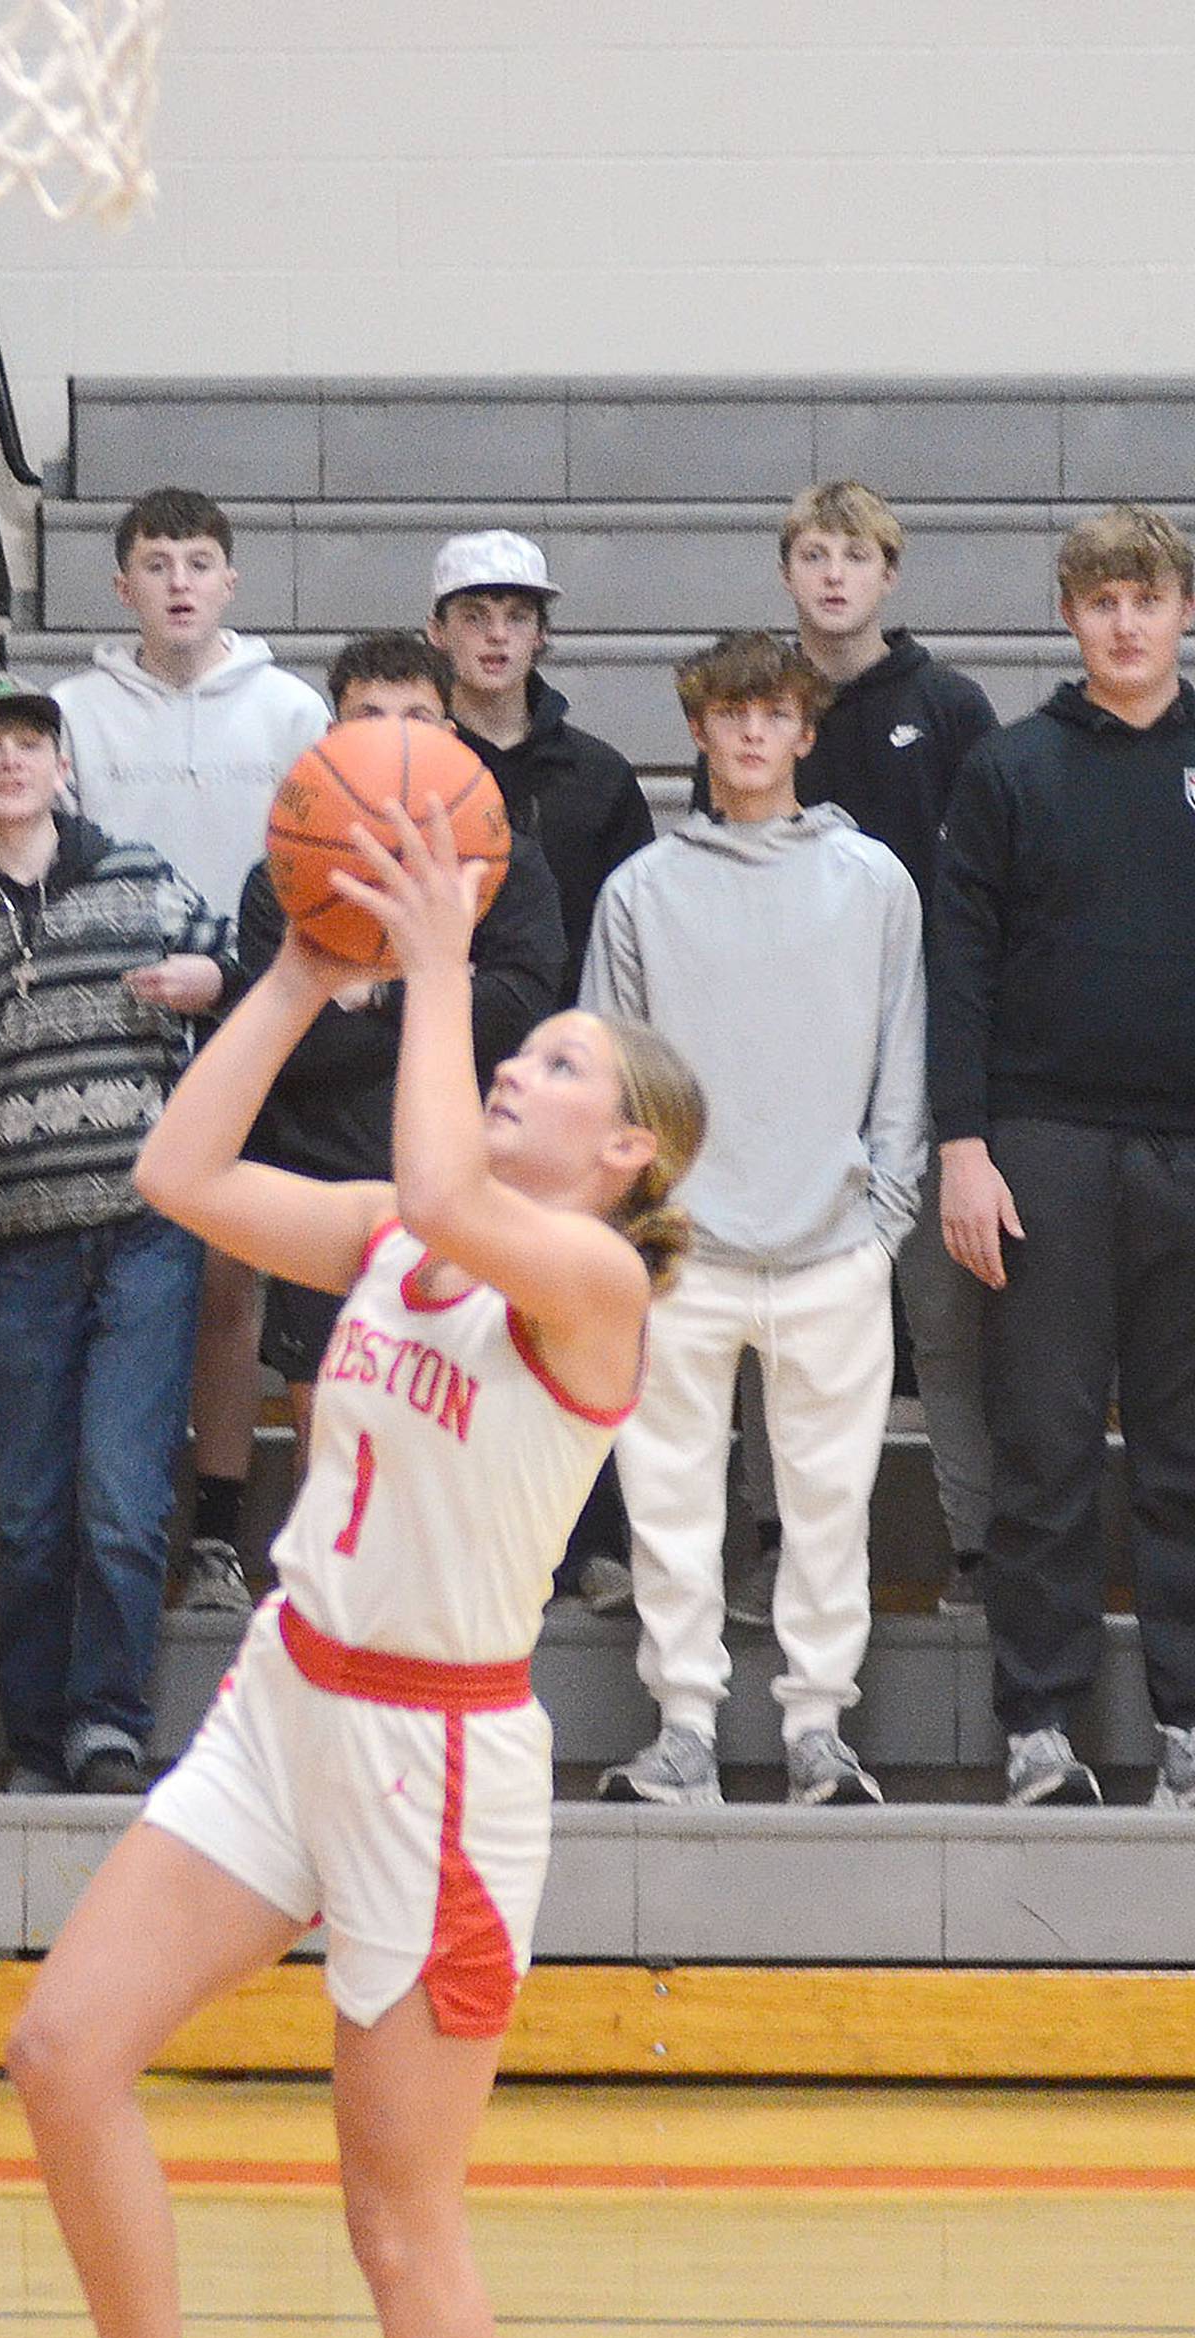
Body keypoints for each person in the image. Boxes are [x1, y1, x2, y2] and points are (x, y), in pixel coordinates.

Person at [0, 793, 703, 2338]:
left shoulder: (599, 1286)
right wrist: (306, 972)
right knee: (63, 2046)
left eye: (561, 1060)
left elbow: (463, 1190)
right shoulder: (403, 1228)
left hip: (438, 1775)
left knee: (397, 2219)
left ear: (627, 1150)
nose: (524, 1068)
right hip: (286, 1698)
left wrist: (452, 960)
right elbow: (181, 1169)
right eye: (518, 1046)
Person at [0, 669, 245, 1796]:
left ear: (61, 762)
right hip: (29, 1240)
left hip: (148, 1234)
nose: (11, 764)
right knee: (34, 1511)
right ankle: (36, 1733)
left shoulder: (136, 876)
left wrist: (214, 976)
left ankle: (108, 1723)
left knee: (124, 1501)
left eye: (30, 744)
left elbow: (249, 966)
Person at [585, 632, 926, 1808]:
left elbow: (904, 1062)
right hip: (681, 1255)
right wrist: (633, 1228)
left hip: (832, 1246)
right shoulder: (641, 889)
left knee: (830, 1506)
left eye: (772, 714)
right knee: (669, 1495)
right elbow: (608, 1073)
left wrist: (882, 1222)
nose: (748, 734)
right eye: (728, 714)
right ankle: (684, 1726)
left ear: (805, 731)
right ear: (697, 730)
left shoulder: (874, 879)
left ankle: (818, 1731)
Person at [692, 482, 999, 1631]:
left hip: (918, 1073)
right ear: (787, 573)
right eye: (813, 554)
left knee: (946, 1333)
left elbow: (979, 901)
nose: (833, 573)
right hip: (781, 1092)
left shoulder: (953, 709)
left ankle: (975, 1551)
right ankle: (777, 1550)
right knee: (775, 1341)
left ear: (888, 574)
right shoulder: (755, 706)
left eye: (855, 554)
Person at [930, 503, 1195, 1811]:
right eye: (1101, 601)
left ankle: (1190, 1731)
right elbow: (960, 969)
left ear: (1184, 611)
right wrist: (964, 1146)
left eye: (1147, 598)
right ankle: (1040, 1724)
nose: (1126, 622)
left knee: (1185, 1447)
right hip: (1039, 1145)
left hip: (1189, 1147)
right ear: (1069, 616)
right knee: (1042, 1443)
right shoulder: (1012, 767)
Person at [56, 487, 331, 1622]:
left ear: (231, 582)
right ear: (121, 585)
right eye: (156, 562)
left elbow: (317, 875)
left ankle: (215, 1530)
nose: (179, 579)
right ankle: (99, 1517)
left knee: (231, 1280)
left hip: (256, 1015)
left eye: (200, 560)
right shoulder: (70, 709)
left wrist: (242, 979)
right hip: (112, 1022)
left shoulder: (289, 711)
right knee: (107, 1277)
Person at [239, 630, 564, 1467]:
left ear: (452, 736)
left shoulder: (509, 866)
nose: (394, 735)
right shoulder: (282, 874)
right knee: (334, 1463)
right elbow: (292, 1050)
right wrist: (443, 998)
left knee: (466, 1454)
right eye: (368, 717)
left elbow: (520, 1011)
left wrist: (374, 995)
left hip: (475, 1194)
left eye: (417, 716)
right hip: (323, 1185)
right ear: (331, 739)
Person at [427, 529, 654, 1612]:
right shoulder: (407, 763)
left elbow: (620, 943)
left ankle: (596, 1541)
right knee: (460, 1319)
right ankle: (479, 1546)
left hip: (561, 1098)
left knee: (574, 1301)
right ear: (440, 632)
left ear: (542, 632)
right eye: (474, 614)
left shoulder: (601, 777)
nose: (496, 633)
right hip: (431, 1075)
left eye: (515, 614)